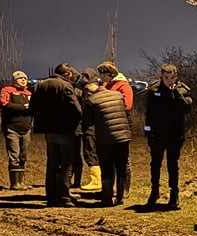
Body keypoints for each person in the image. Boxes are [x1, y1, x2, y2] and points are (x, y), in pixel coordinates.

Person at [30, 62, 82, 207]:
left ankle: (51, 195)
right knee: (66, 164)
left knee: (52, 163)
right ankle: (64, 196)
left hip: (48, 131)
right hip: (65, 129)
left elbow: (32, 107)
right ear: (67, 74)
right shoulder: (65, 86)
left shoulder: (39, 85)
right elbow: (75, 108)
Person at [143, 62, 193, 209]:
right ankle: (154, 191)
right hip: (157, 134)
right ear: (162, 76)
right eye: (166, 78)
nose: (169, 81)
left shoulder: (182, 91)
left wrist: (176, 94)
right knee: (155, 164)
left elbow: (186, 108)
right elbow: (149, 113)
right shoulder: (154, 90)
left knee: (173, 164)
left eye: (172, 78)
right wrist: (147, 130)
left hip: (174, 134)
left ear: (176, 76)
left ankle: (174, 193)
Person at [80, 78, 132, 206]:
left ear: (89, 92)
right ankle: (120, 197)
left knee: (107, 168)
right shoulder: (117, 95)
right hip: (123, 136)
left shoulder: (91, 100)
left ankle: (107, 198)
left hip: (105, 139)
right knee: (121, 167)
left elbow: (88, 122)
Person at [0, 70, 33, 190]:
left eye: (25, 78)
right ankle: (14, 183)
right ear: (14, 80)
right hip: (12, 128)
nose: (23, 80)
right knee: (14, 154)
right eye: (20, 78)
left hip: (26, 128)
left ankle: (21, 181)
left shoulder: (29, 93)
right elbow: (5, 105)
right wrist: (24, 107)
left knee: (23, 155)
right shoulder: (7, 90)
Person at [74, 68, 102, 192]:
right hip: (96, 127)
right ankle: (97, 180)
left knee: (91, 152)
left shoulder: (85, 91)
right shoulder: (99, 89)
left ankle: (96, 181)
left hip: (90, 127)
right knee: (93, 153)